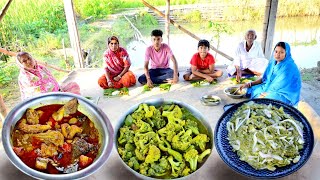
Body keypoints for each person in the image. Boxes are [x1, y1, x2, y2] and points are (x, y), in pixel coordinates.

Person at [239, 42, 301, 107]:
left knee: (268, 99)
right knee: (251, 90)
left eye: (281, 52)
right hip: (269, 86)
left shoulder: (289, 66)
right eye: (276, 51)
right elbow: (264, 79)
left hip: (284, 93)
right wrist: (249, 84)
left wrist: (268, 93)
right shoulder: (272, 63)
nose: (277, 54)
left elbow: (280, 85)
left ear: (286, 53)